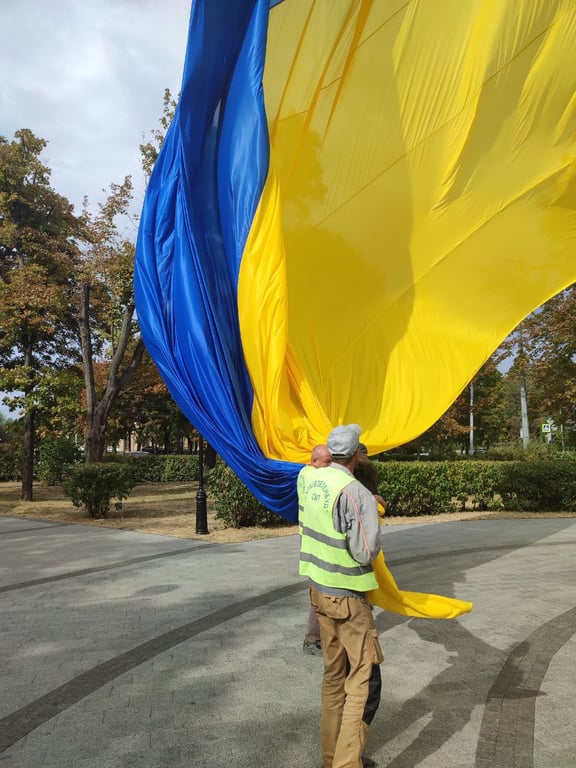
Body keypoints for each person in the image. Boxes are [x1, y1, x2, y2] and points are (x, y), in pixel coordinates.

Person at [298, 424, 384, 768]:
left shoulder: (311, 480)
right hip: (348, 598)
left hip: (318, 592)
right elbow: (365, 552)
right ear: (357, 454)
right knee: (360, 685)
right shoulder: (355, 492)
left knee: (333, 679)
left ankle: (330, 758)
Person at [302, 445, 332, 656]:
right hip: (317, 541)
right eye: (327, 462)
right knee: (320, 591)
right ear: (314, 461)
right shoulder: (314, 478)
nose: (330, 467)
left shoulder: (306, 474)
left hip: (312, 539)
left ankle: (316, 638)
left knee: (319, 590)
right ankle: (313, 640)